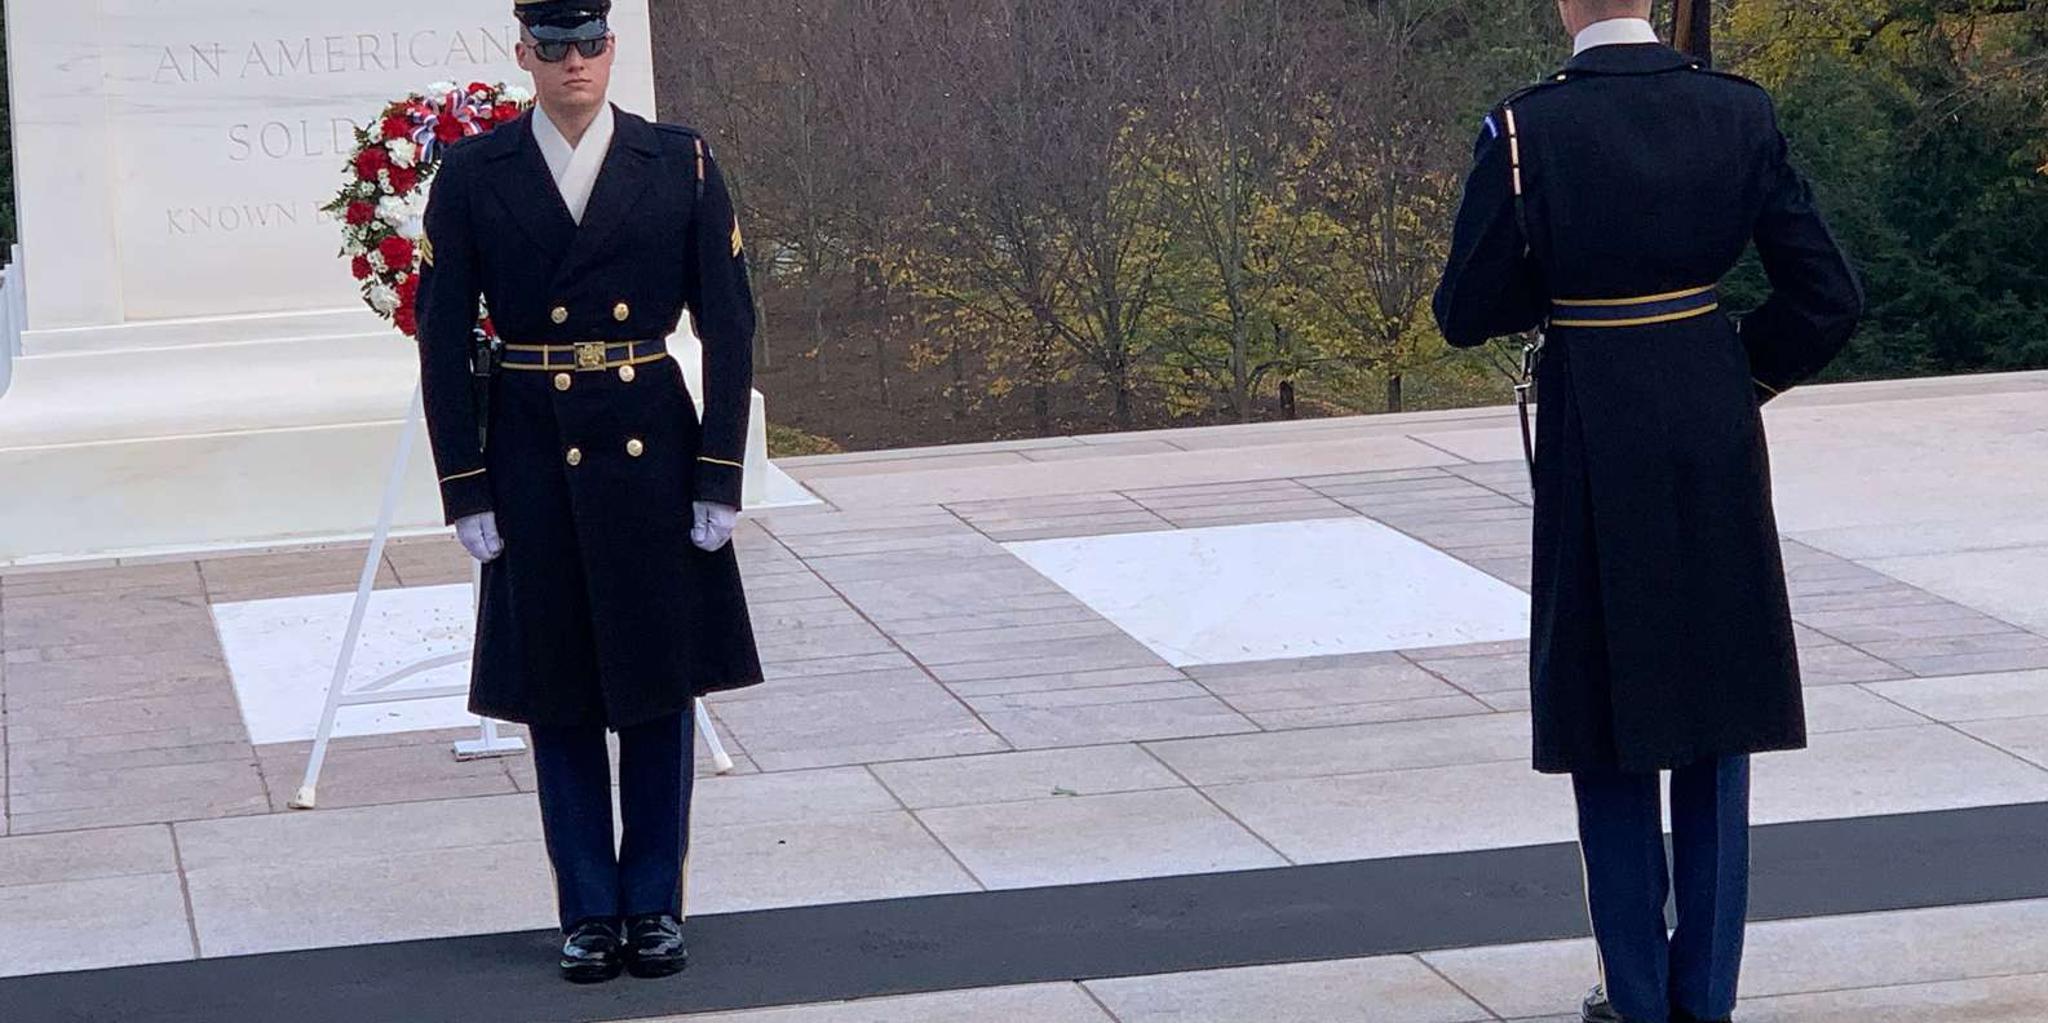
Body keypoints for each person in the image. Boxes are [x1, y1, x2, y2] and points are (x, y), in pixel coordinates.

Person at [1432, 2, 1862, 1021]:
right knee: (1718, 715)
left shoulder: (1525, 128)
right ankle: (1702, 998)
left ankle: (1633, 993)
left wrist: (1556, 284)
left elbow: (1465, 310)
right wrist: (1734, 379)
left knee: (1602, 713)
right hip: (1712, 426)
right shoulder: (1738, 112)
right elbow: (1828, 296)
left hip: (1594, 425)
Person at [413, 0, 765, 984]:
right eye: (555, 46)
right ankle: (587, 911)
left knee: (658, 685)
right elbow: (441, 337)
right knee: (556, 691)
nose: (575, 63)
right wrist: (465, 485)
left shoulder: (679, 162)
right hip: (531, 446)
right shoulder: (475, 173)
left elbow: (730, 325)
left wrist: (720, 471)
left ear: (611, 51)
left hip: (651, 449)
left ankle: (652, 903)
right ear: (524, 54)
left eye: (590, 45)